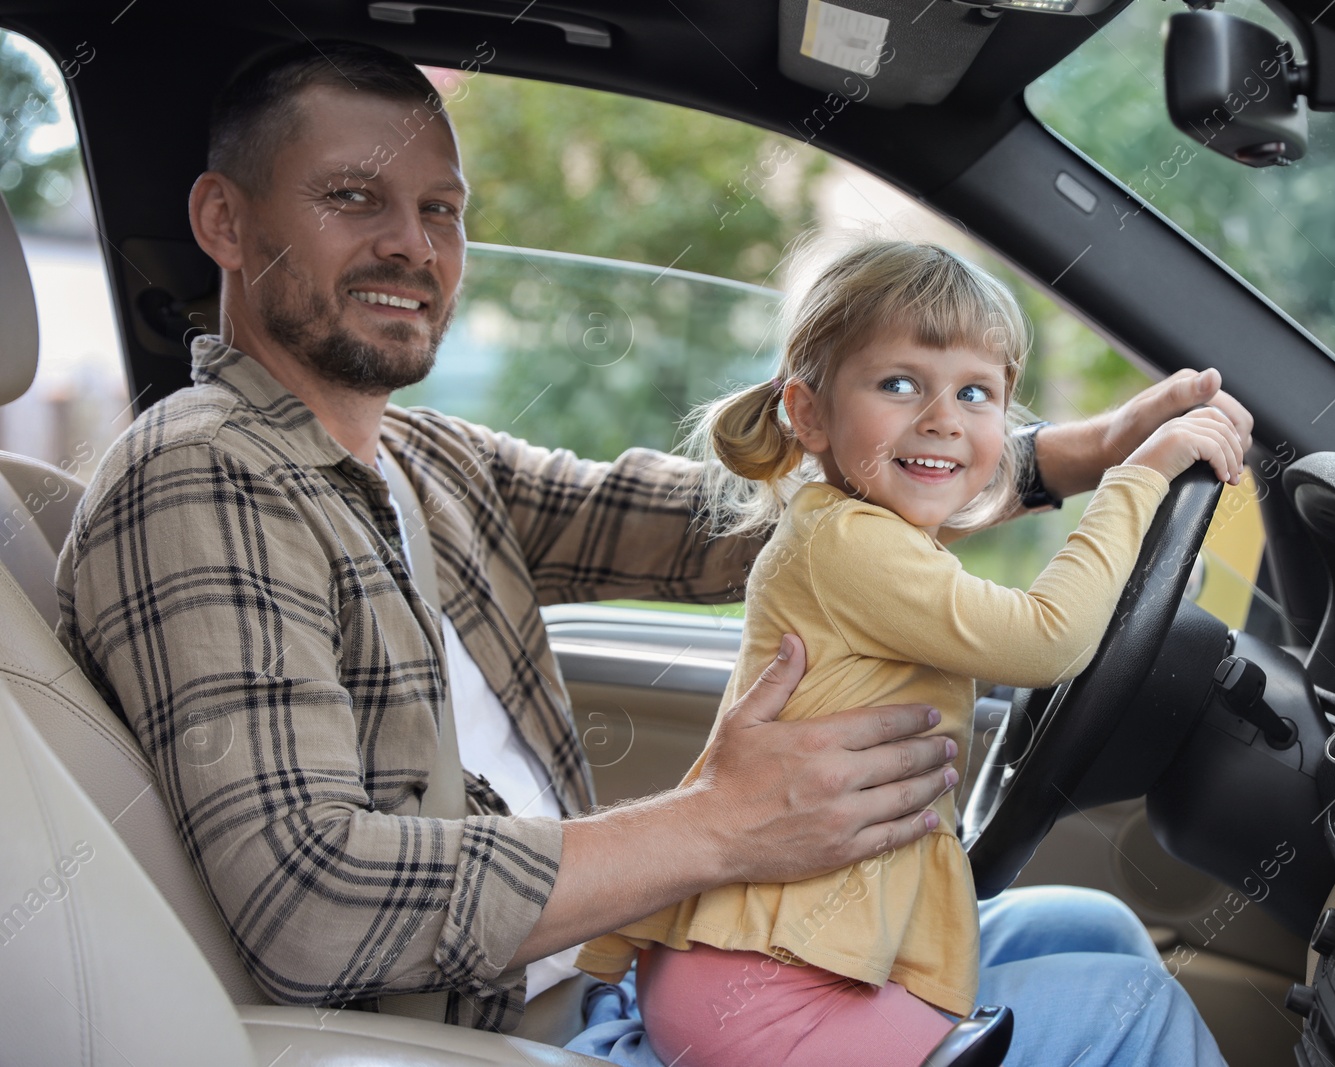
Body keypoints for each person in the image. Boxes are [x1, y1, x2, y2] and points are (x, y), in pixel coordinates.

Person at [53, 38, 1252, 1067]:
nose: (411, 246)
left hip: (607, 973)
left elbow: (727, 520)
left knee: (1085, 928)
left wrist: (1057, 457)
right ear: (224, 218)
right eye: (353, 198)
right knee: (1123, 1009)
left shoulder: (422, 459)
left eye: (440, 209)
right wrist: (717, 824)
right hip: (493, 1032)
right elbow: (313, 900)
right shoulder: (200, 474)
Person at [574, 241, 1237, 1066]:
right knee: (1140, 1010)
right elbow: (1045, 637)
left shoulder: (868, 528)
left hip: (788, 952)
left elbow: (992, 543)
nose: (943, 418)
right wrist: (1137, 478)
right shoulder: (850, 542)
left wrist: (1110, 454)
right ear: (808, 413)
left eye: (976, 392)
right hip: (766, 993)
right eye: (899, 384)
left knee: (1097, 925)